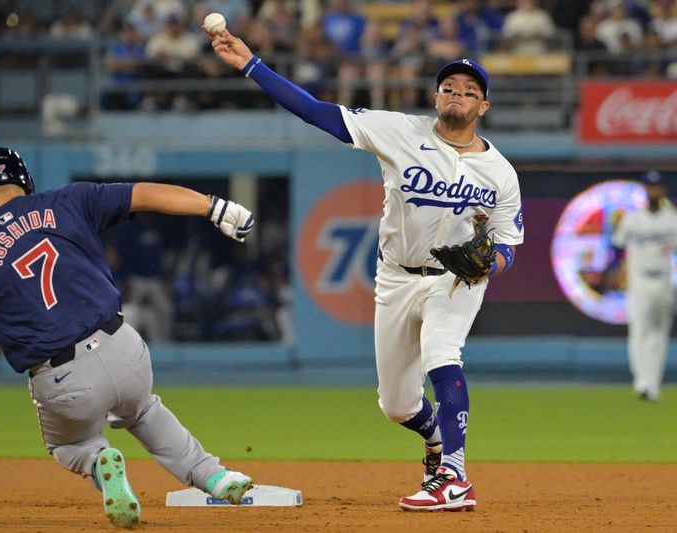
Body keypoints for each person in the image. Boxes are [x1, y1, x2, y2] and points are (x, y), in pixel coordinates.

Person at [207, 30, 523, 511]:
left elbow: (508, 245)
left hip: (454, 280)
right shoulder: (400, 131)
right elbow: (319, 112)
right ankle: (436, 445)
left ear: (484, 106)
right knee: (396, 406)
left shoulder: (501, 172)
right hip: (395, 275)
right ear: (436, 96)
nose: (457, 95)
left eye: (468, 91)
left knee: (443, 353)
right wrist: (253, 66)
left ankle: (455, 478)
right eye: (449, 88)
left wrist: (490, 264)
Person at [0, 148, 256, 528]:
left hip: (62, 379)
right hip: (125, 348)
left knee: (67, 445)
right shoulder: (68, 201)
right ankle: (216, 477)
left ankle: (97, 461)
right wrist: (213, 207)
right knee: (142, 410)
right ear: (27, 185)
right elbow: (145, 193)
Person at [612, 170, 677, 402]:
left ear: (662, 190)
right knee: (639, 332)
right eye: (650, 187)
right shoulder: (633, 219)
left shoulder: (672, 218)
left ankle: (653, 384)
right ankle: (642, 383)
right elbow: (617, 245)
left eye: (657, 187)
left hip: (663, 280)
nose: (653, 191)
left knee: (659, 334)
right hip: (639, 281)